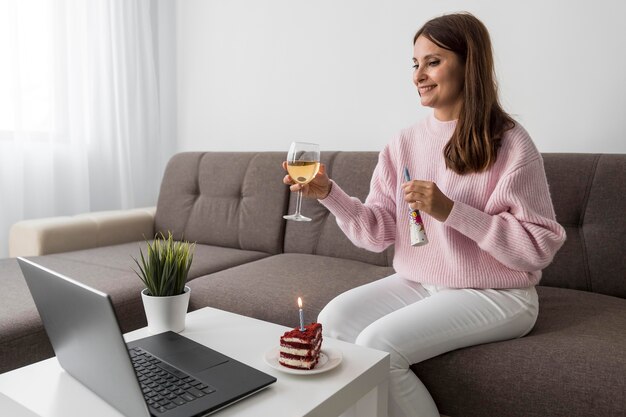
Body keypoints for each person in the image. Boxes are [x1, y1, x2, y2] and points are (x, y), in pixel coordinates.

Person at [282, 12, 566, 417]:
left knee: (378, 344)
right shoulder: (404, 143)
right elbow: (377, 233)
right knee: (334, 324)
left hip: (498, 294)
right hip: (420, 282)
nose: (419, 75)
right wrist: (328, 193)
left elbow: (537, 248)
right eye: (415, 64)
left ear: (471, 64)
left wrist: (451, 211)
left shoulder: (510, 143)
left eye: (433, 61)